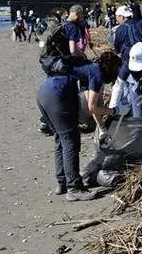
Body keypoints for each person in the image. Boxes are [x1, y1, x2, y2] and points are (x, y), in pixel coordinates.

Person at [36, 50, 122, 201]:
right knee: (70, 141)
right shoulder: (97, 74)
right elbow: (92, 107)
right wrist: (113, 111)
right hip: (58, 95)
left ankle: (62, 182)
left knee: (60, 138)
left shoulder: (89, 67)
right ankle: (74, 187)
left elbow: (90, 105)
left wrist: (101, 127)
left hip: (44, 92)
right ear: (112, 68)